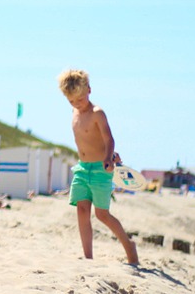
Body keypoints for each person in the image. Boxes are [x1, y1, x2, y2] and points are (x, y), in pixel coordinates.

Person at [57, 69, 139, 266]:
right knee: (82, 210)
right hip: (82, 168)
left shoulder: (97, 113)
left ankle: (129, 246)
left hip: (102, 169)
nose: (77, 104)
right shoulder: (74, 112)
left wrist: (109, 158)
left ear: (89, 90)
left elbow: (108, 139)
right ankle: (88, 257)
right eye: (72, 101)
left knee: (102, 214)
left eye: (80, 99)